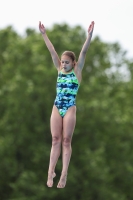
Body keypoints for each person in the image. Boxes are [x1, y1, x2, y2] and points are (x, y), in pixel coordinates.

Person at [39, 20, 95, 188]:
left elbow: (84, 52)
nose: (63, 64)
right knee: (55, 139)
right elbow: (52, 51)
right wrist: (44, 34)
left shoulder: (77, 72)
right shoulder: (59, 70)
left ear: (74, 63)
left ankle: (63, 174)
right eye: (62, 62)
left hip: (70, 107)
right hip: (57, 106)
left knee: (66, 140)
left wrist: (89, 36)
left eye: (66, 62)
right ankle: (50, 172)